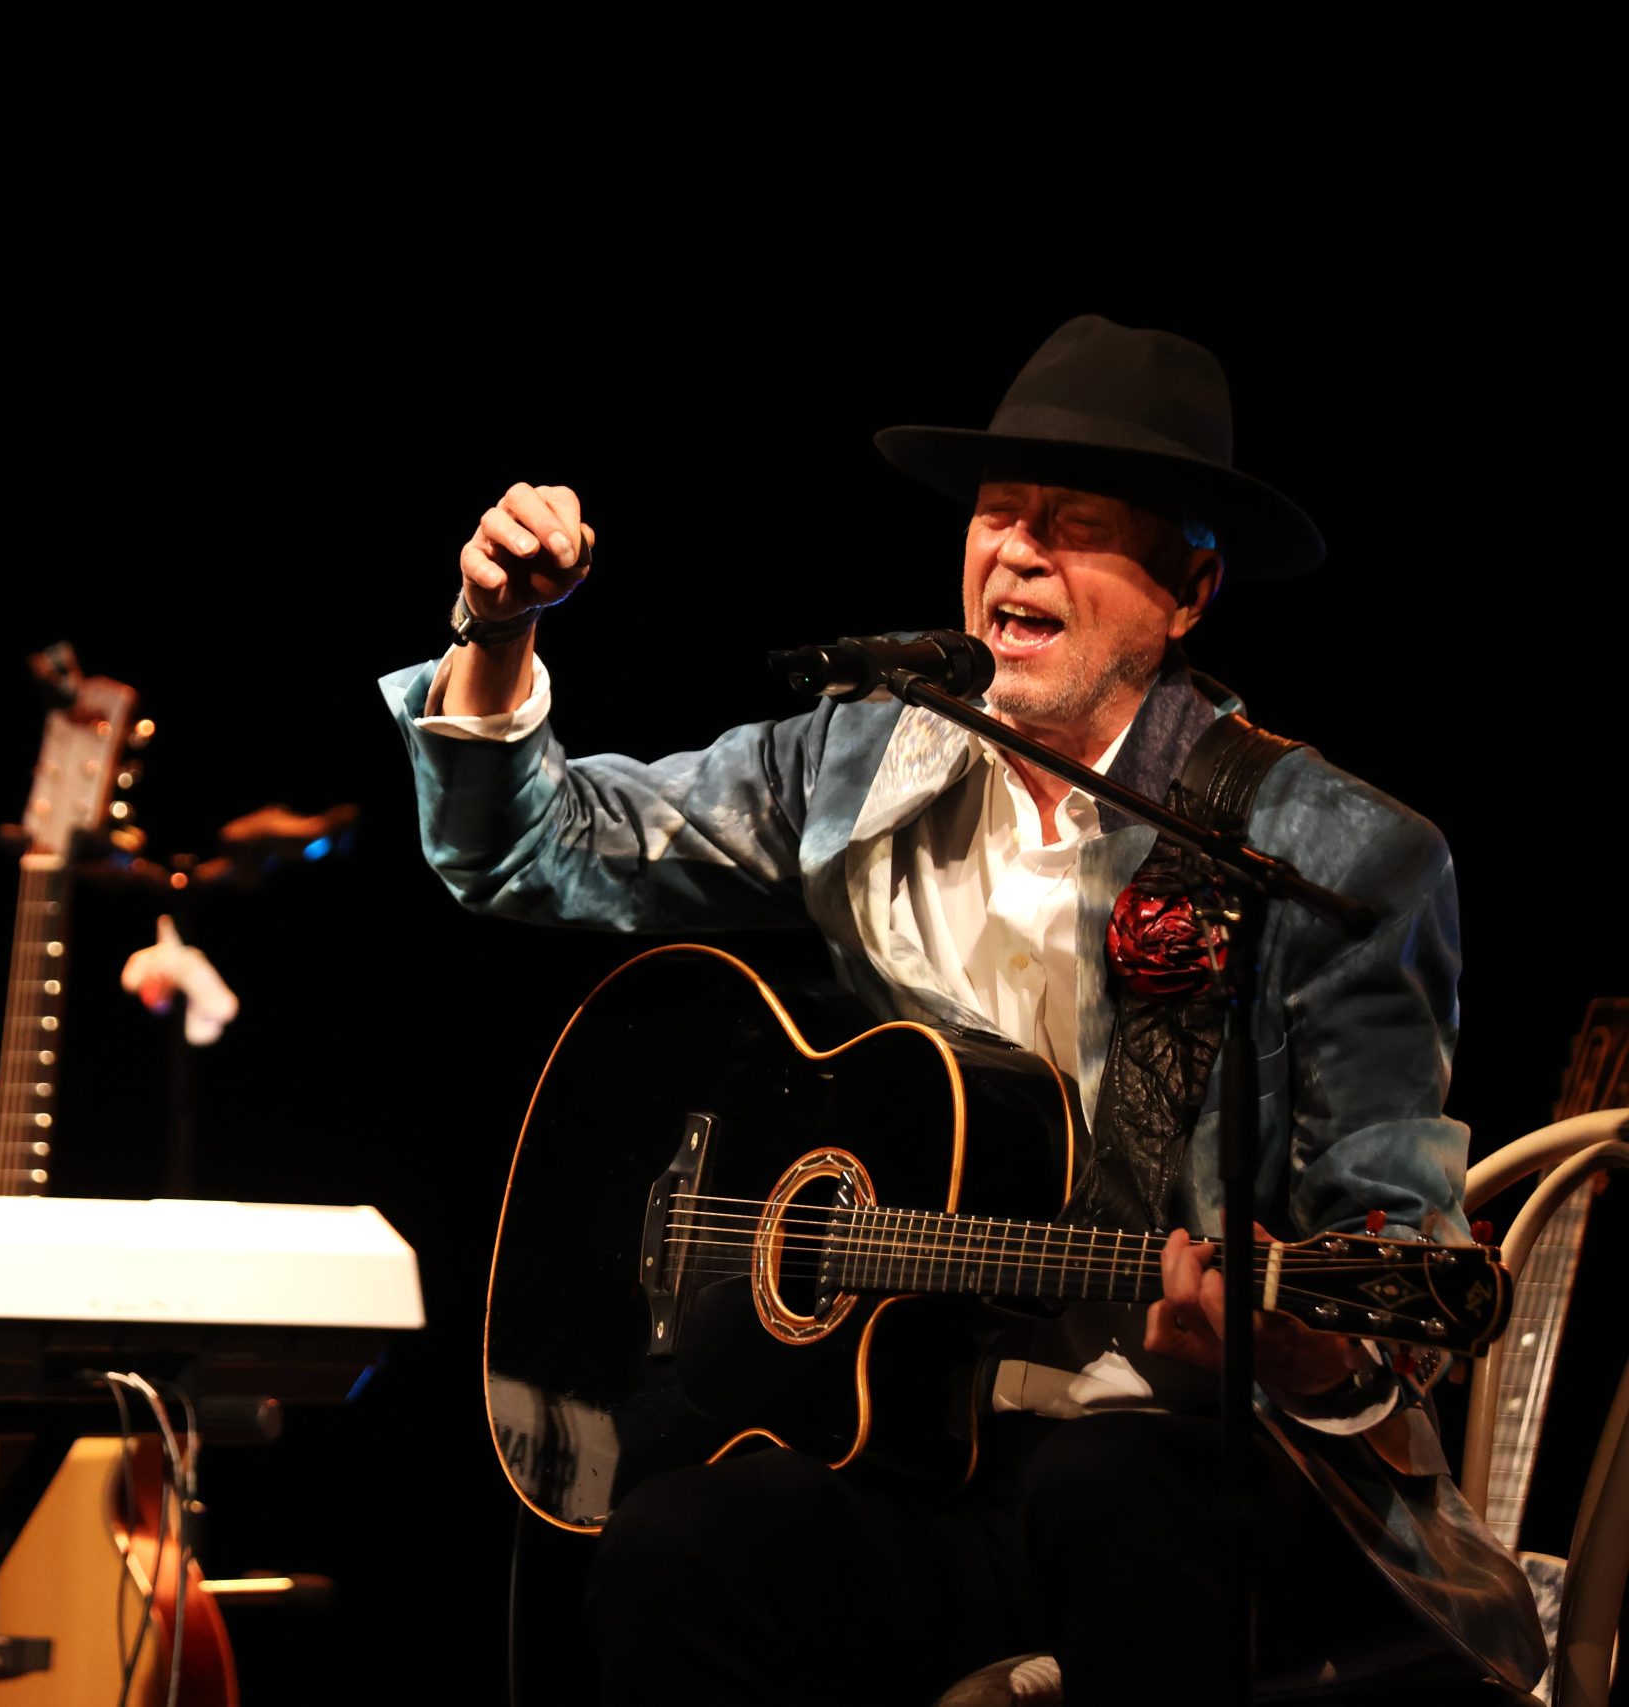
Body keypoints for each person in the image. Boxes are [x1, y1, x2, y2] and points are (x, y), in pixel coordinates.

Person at [381, 317, 1544, 1705]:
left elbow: (1397, 1256)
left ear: (1190, 590)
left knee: (1113, 1488)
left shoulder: (1335, 856)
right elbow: (532, 850)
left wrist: (1308, 1349)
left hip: (1204, 1470)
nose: (1018, 553)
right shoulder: (864, 764)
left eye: (1076, 524)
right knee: (680, 1544)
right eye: (998, 513)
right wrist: (497, 632)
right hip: (927, 1451)